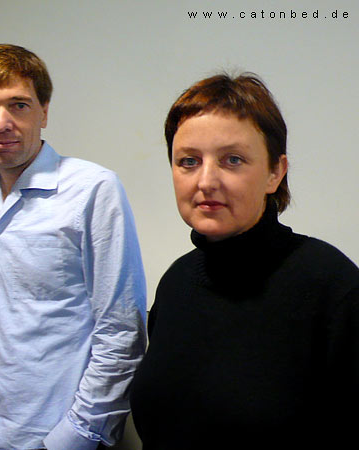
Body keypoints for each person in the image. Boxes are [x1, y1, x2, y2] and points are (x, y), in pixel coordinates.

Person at [130, 73, 359, 449]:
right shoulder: (176, 283)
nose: (206, 181)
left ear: (275, 172)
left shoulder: (333, 288)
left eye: (232, 160)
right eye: (189, 161)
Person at [0, 44, 147, 450]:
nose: (1, 122)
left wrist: (73, 436)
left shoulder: (92, 190)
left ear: (44, 112)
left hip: (57, 438)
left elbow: (122, 331)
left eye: (19, 105)